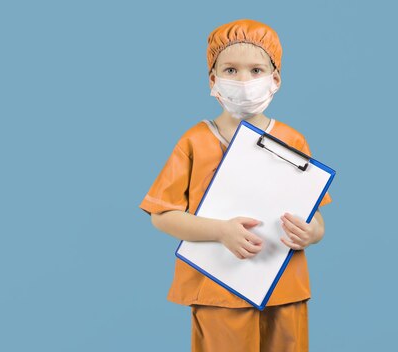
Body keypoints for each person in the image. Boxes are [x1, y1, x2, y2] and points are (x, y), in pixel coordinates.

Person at [139, 19, 333, 352]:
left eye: (256, 70)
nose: (244, 81)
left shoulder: (291, 141)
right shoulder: (195, 141)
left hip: (284, 286)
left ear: (275, 79)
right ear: (213, 79)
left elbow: (314, 216)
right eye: (230, 70)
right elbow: (162, 215)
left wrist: (312, 233)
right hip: (219, 288)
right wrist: (220, 231)